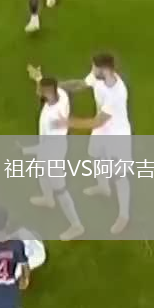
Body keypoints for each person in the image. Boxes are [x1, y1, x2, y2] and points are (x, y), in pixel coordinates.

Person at [52, 53, 133, 234]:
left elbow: (96, 122)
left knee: (120, 176)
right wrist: (57, 86)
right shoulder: (99, 77)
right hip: (103, 130)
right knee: (97, 156)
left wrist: (67, 122)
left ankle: (124, 216)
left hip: (117, 135)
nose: (92, 70)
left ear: (104, 69)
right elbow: (81, 84)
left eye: (94, 68)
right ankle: (103, 188)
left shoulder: (117, 94)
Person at [23, 70, 84, 240]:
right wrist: (38, 78)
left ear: (48, 92)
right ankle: (48, 199)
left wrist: (24, 151)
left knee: (60, 189)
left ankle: (76, 226)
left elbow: (45, 147)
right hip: (51, 147)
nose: (38, 92)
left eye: (40, 90)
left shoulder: (53, 119)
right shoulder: (61, 95)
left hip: (53, 152)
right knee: (42, 170)